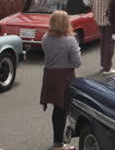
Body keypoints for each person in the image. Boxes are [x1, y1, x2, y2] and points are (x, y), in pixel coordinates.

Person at [40, 10, 81, 150]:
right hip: (64, 77)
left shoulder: (45, 37)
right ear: (66, 23)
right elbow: (77, 63)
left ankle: (58, 141)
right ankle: (58, 144)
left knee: (58, 110)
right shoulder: (70, 40)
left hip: (49, 76)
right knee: (62, 110)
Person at [89, 0, 115, 75]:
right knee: (110, 43)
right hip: (109, 21)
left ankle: (102, 64)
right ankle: (107, 68)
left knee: (103, 42)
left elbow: (90, 3)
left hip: (98, 20)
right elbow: (114, 7)